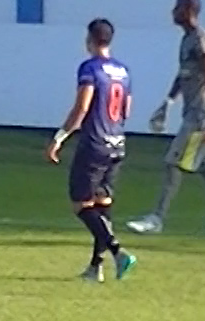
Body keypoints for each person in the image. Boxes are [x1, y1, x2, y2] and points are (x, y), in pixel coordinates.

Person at [130, 0, 205, 237]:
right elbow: (183, 74)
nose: (172, 12)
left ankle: (157, 218)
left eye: (177, 8)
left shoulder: (200, 38)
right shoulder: (186, 40)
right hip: (191, 110)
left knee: (173, 162)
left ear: (188, 10)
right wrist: (168, 101)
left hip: (199, 114)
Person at [48, 19, 138, 282]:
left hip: (95, 144)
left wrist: (60, 137)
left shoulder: (90, 68)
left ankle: (118, 252)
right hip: (117, 143)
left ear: (89, 39)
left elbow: (82, 107)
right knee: (102, 205)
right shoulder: (124, 71)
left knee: (81, 204)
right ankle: (95, 268)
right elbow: (126, 111)